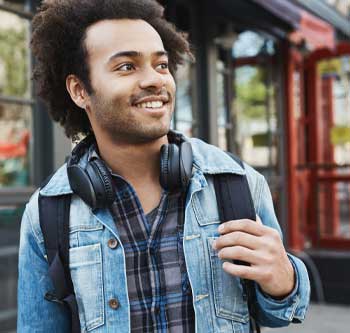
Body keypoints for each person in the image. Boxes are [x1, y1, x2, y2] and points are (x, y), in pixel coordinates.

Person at [17, 0, 310, 332]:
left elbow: (280, 313)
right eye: (127, 66)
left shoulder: (238, 183)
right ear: (80, 90)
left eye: (161, 65)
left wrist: (285, 279)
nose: (155, 80)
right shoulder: (46, 214)